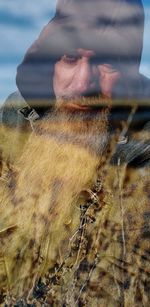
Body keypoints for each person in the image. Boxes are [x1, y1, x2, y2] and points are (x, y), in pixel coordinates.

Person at [0, 0, 150, 305]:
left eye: (106, 63)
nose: (83, 84)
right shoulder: (16, 121)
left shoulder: (142, 156)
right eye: (69, 58)